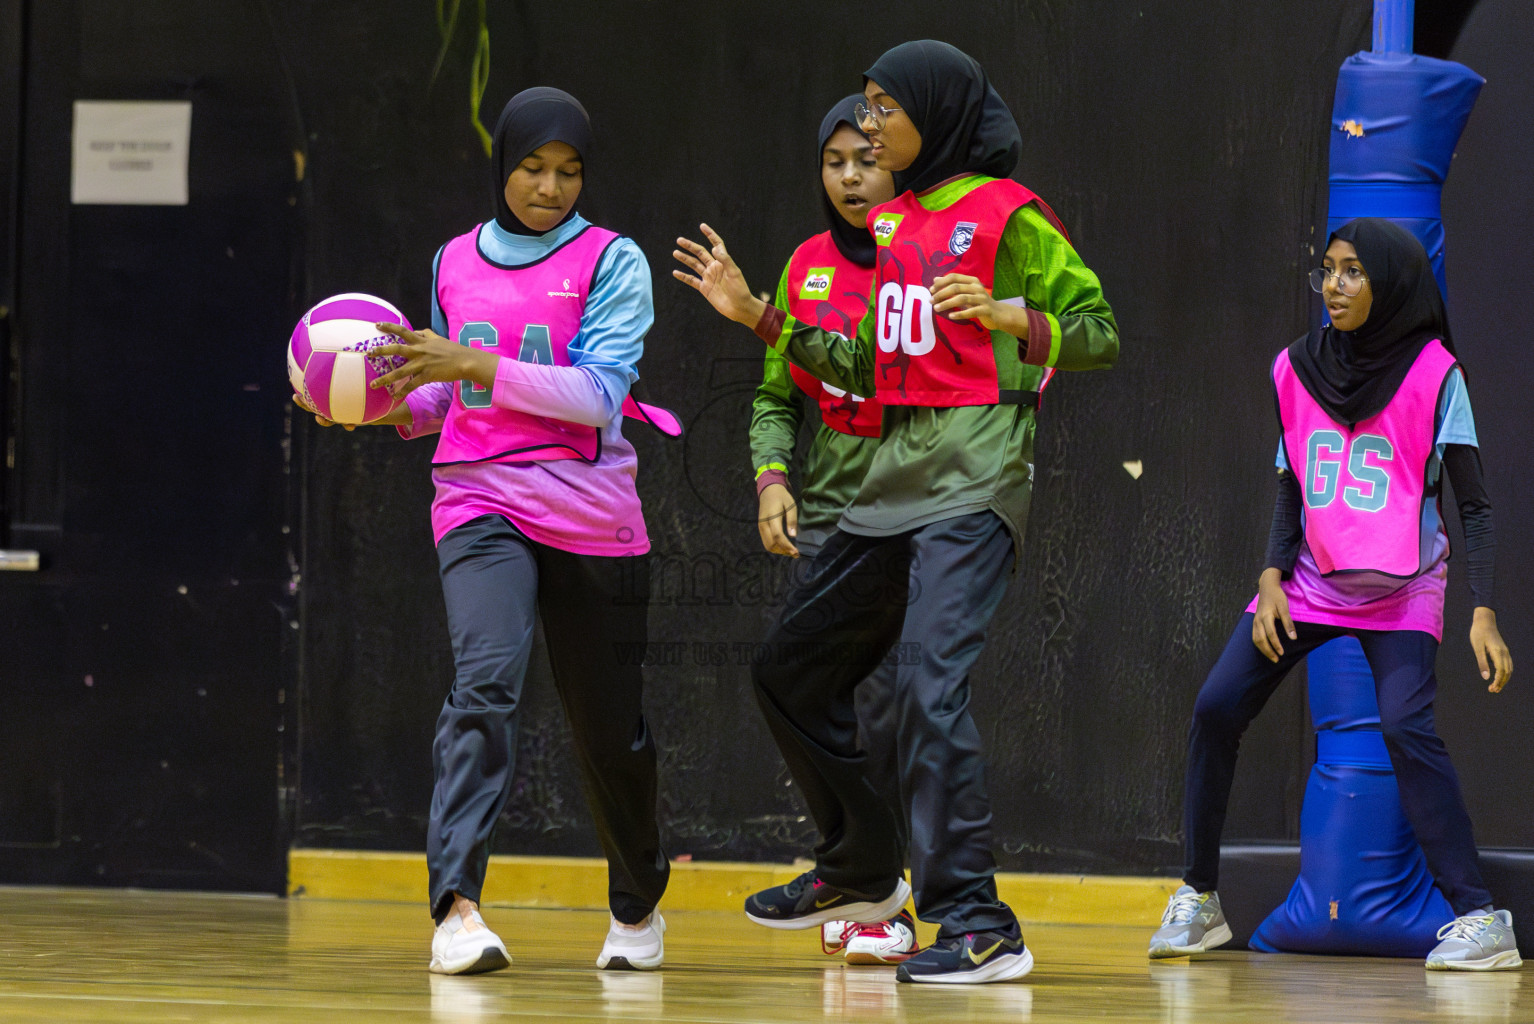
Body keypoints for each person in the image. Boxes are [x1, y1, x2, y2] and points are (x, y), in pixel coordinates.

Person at [674, 40, 1119, 983]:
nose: (869, 127)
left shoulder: (1010, 214)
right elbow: (870, 367)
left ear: (936, 111)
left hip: (976, 475)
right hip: (888, 483)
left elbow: (1100, 334)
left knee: (926, 688)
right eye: (863, 111)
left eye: (883, 109)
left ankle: (979, 923)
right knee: (789, 670)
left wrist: (1013, 319)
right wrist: (759, 314)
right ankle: (863, 871)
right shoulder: (896, 225)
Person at [297, 87, 672, 975]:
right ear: (502, 165)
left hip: (592, 515)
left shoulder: (615, 261)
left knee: (609, 729)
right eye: (533, 169)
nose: (549, 187)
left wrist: (469, 362)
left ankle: (635, 909)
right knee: (484, 686)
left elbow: (596, 395)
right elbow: (447, 399)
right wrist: (374, 402)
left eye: (568, 171)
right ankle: (457, 910)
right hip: (478, 501)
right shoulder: (452, 261)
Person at [1148, 218, 1518, 972]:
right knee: (1216, 707)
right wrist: (1270, 577)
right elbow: (1292, 490)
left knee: (1405, 728)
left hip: (1402, 587)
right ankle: (1199, 898)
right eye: (1327, 270)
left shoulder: (1437, 374)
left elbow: (1473, 503)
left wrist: (1482, 607)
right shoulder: (1294, 367)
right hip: (1311, 581)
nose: (1334, 286)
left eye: (1353, 271)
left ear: (1392, 282)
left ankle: (1482, 920)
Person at [749, 95, 916, 966]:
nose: (852, 177)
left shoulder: (923, 258)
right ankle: (857, 875)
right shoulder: (805, 266)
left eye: (868, 159)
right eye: (834, 162)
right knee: (819, 700)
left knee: (889, 710)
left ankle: (885, 905)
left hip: (914, 520)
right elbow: (778, 395)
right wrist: (774, 478)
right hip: (829, 525)